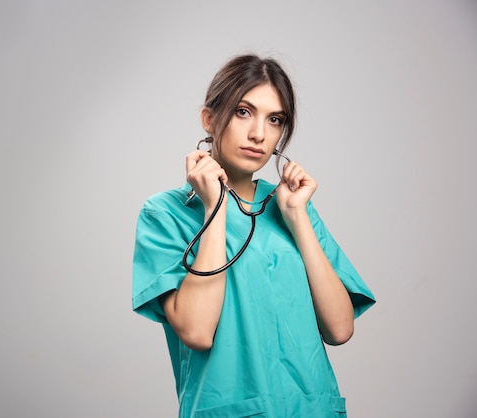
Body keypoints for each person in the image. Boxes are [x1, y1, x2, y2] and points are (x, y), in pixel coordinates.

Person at [132, 54, 375, 418]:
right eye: (244, 112)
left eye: (274, 120)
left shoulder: (293, 207)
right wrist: (214, 207)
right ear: (210, 119)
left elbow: (340, 328)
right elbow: (197, 331)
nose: (259, 134)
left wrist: (297, 217)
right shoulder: (165, 214)